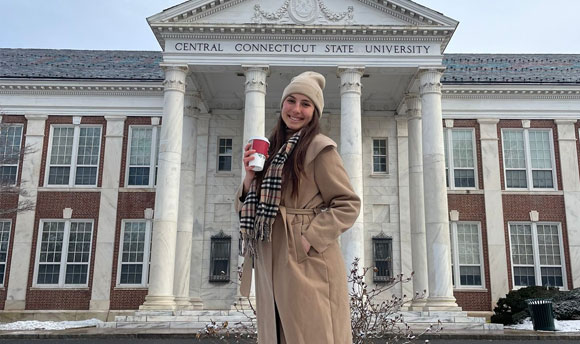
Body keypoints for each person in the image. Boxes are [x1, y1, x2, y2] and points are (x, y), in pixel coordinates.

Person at [235, 71, 361, 344]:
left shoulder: (320, 149)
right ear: (282, 105)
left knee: (311, 332)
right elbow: (249, 206)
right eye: (291, 101)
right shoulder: (271, 151)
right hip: (270, 254)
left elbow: (348, 204)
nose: (296, 109)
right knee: (278, 332)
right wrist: (248, 178)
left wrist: (308, 240)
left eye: (305, 104)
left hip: (306, 259)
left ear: (314, 112)